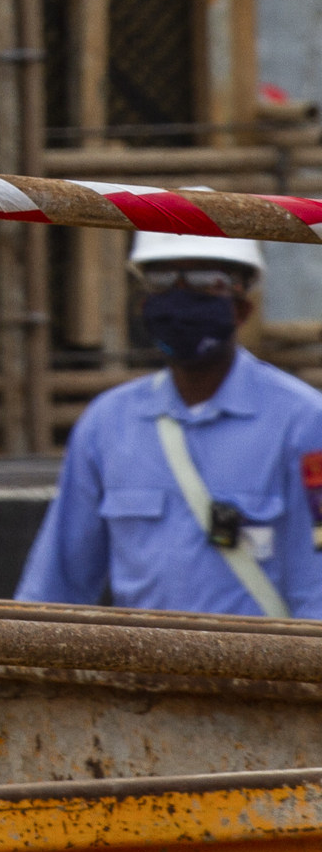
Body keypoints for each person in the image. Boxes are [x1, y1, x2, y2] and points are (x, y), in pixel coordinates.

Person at [17, 231, 322, 618]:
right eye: (162, 281)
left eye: (204, 283)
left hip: (263, 674)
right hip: (141, 674)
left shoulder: (304, 421)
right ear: (144, 302)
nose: (180, 299)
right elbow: (56, 585)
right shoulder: (108, 424)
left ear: (242, 306)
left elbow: (317, 585)